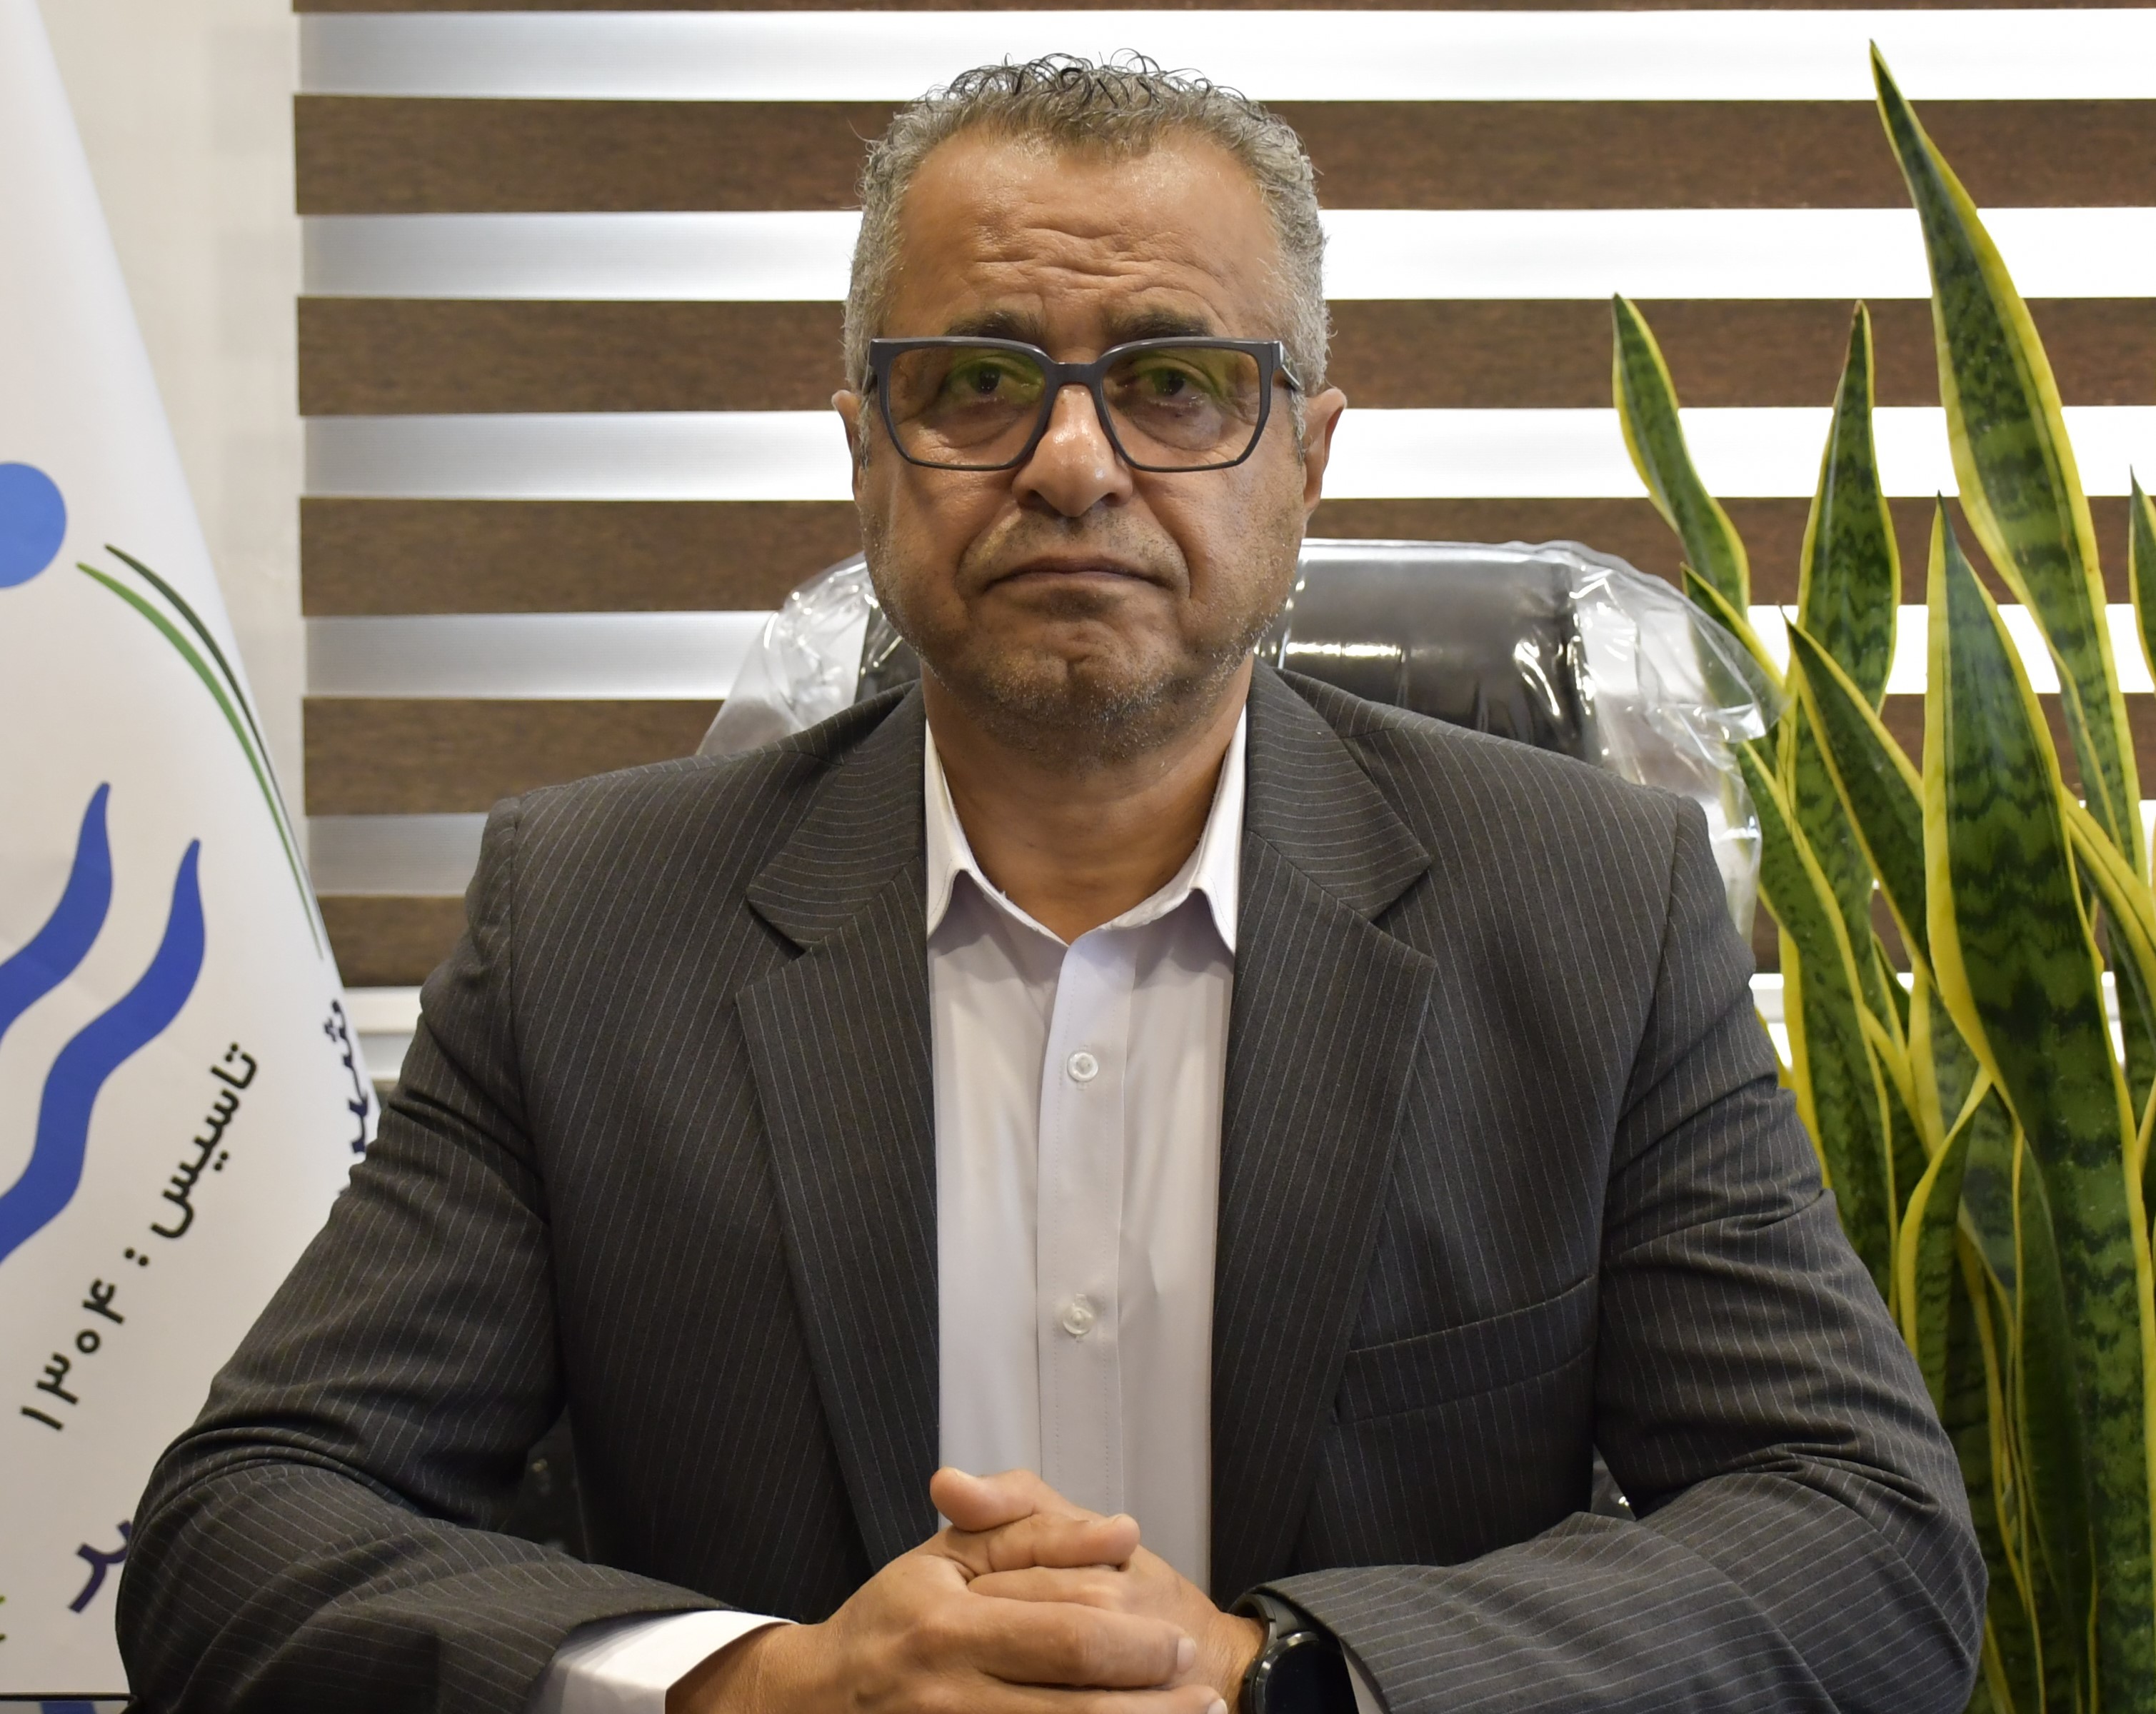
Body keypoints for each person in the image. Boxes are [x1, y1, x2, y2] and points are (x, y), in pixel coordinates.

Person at [117, 56, 1982, 1714]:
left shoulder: (1585, 909)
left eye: (1175, 384)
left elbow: (1864, 1540)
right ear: (866, 454)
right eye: (976, 383)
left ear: (1306, 458)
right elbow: (244, 1530)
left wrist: (1284, 1682)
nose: (1073, 464)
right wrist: (765, 1687)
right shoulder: (595, 922)